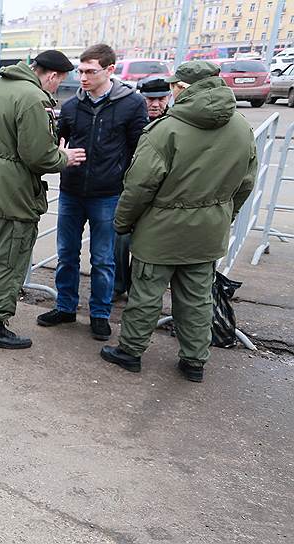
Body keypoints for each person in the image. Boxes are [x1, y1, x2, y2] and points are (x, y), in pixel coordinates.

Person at [100, 61, 257, 383]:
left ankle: (130, 352)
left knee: (145, 294)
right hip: (209, 230)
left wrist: (123, 223)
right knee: (198, 298)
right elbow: (246, 183)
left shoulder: (166, 130)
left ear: (182, 88)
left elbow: (140, 186)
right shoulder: (241, 127)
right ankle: (194, 361)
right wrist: (225, 215)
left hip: (161, 230)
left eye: (174, 86)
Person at [0, 50, 86, 349]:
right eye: (61, 81)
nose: (58, 88)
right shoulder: (34, 98)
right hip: (14, 193)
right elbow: (38, 156)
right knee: (9, 257)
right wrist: (64, 157)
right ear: (52, 75)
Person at [36, 44, 147, 341]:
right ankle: (65, 306)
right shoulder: (72, 106)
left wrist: (126, 183)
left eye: (89, 71)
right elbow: (57, 141)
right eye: (81, 71)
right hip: (72, 191)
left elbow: (139, 150)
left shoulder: (132, 104)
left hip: (108, 194)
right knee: (67, 253)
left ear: (110, 70)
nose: (82, 77)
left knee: (103, 258)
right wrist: (59, 150)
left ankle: (99, 314)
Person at [114, 75, 173, 300]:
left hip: (160, 194)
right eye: (149, 99)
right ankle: (119, 284)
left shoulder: (173, 123)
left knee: (148, 246)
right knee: (120, 239)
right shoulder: (131, 117)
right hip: (129, 188)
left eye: (161, 98)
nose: (155, 104)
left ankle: (140, 291)